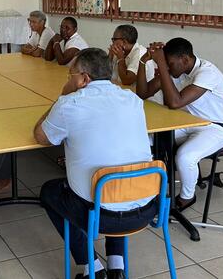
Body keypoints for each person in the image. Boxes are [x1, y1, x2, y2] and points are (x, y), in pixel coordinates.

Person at [35, 49, 156, 279]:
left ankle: (92, 267)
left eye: (70, 75)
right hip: (146, 206)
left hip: (101, 214)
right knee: (119, 177)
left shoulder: (70, 104)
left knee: (50, 192)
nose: (69, 80)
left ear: (84, 78)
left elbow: (41, 137)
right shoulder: (132, 100)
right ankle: (117, 266)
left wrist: (61, 97)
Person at [136, 37, 223, 211]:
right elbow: (143, 93)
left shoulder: (207, 73)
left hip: (218, 127)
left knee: (185, 157)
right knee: (148, 140)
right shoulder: (177, 71)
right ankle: (150, 187)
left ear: (185, 59)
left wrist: (161, 64)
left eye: (170, 63)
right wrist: (144, 61)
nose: (167, 67)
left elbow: (175, 102)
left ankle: (187, 197)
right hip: (190, 122)